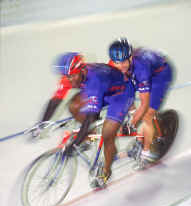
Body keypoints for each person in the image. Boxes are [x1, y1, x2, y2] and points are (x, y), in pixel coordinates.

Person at [54, 52, 135, 187]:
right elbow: (54, 100)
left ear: (81, 70)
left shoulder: (95, 81)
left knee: (108, 134)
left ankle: (106, 171)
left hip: (121, 95)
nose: (71, 80)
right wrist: (40, 124)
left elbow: (90, 117)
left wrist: (75, 143)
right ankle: (89, 135)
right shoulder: (73, 76)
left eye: (73, 75)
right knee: (74, 106)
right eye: (68, 77)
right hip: (105, 90)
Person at [108, 38, 174, 166]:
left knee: (147, 115)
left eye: (124, 62)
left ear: (130, 57)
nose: (121, 66)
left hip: (159, 76)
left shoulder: (141, 70)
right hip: (141, 69)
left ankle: (146, 152)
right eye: (117, 63)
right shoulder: (114, 64)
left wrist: (132, 123)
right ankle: (140, 140)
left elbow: (144, 104)